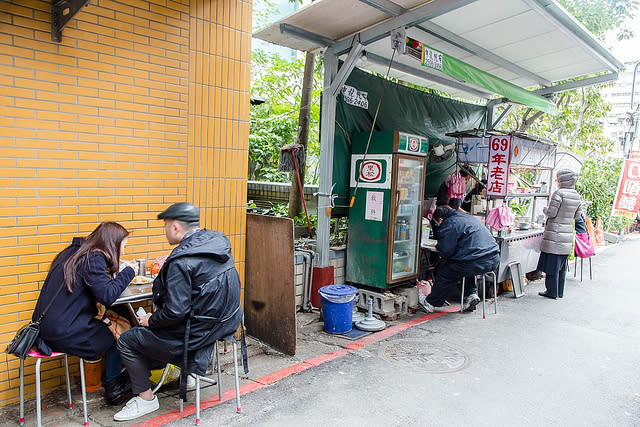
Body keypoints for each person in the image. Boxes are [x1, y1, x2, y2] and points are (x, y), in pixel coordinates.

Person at [114, 203, 244, 422]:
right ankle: (189, 374)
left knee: (128, 340)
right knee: (180, 321)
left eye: (165, 226)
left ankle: (146, 399)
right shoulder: (217, 243)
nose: (165, 231)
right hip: (226, 323)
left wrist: (150, 320)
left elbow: (175, 312)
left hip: (196, 333)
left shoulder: (181, 261)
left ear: (175, 227)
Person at [33, 222, 137, 405]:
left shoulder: (72, 253)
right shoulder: (94, 258)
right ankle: (114, 386)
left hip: (45, 330)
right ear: (112, 244)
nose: (123, 252)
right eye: (124, 246)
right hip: (66, 335)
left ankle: (113, 380)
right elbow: (107, 296)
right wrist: (129, 271)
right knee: (121, 328)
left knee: (116, 317)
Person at [419, 206, 500, 313]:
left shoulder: (449, 224)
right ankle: (471, 294)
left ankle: (431, 303)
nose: (438, 226)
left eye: (437, 223)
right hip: (493, 258)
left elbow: (446, 250)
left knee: (446, 272)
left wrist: (439, 246)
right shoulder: (467, 218)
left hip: (476, 260)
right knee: (464, 265)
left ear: (440, 220)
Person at [537, 169, 583, 299]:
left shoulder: (559, 193)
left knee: (552, 265)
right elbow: (577, 215)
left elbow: (551, 213)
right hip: (567, 234)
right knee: (561, 266)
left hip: (555, 234)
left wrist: (544, 209)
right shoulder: (576, 195)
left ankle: (551, 291)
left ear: (562, 180)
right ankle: (559, 291)